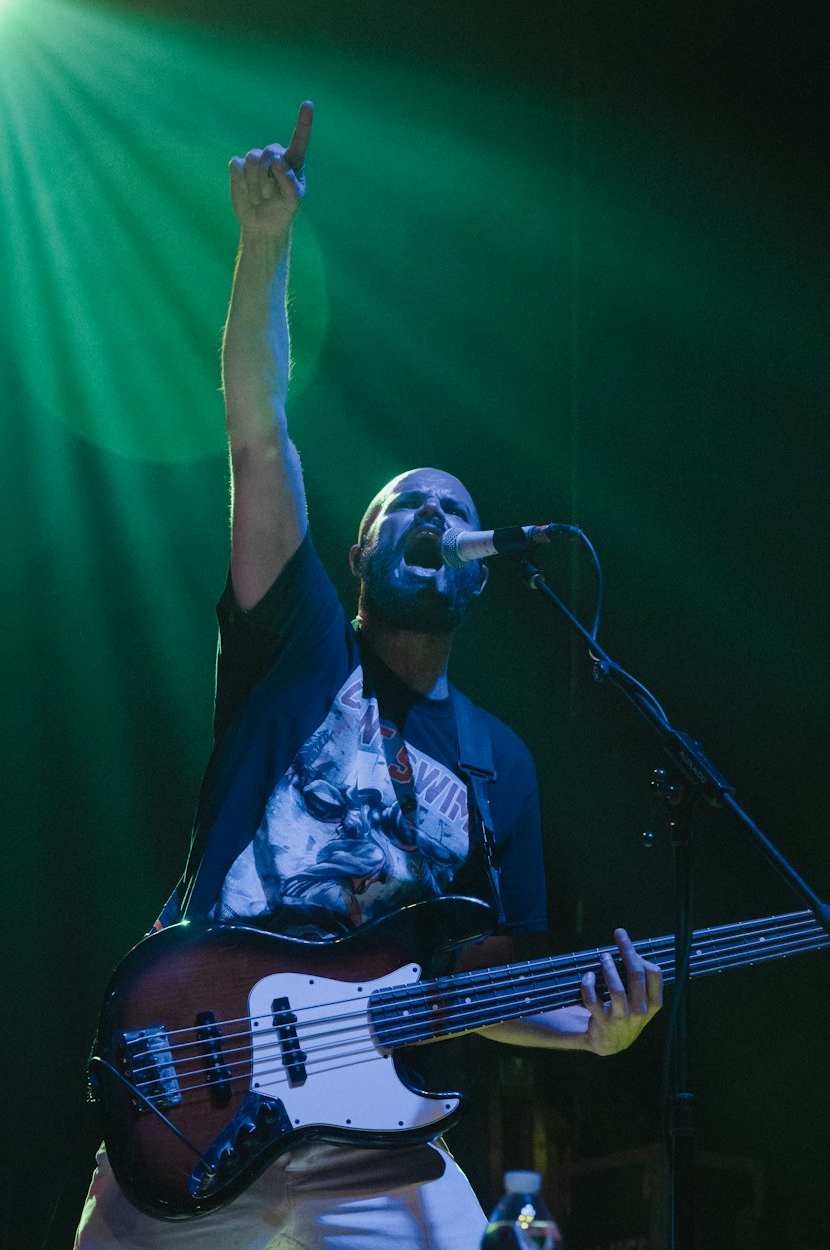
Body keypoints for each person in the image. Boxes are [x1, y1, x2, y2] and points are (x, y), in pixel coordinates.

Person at [74, 101, 663, 1250]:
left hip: (376, 1135)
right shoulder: (297, 642)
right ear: (358, 553)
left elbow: (492, 985)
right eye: (408, 506)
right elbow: (257, 425)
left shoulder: (500, 764)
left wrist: (597, 1032)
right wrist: (264, 247)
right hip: (202, 1090)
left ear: (483, 571)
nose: (434, 519)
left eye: (456, 511)